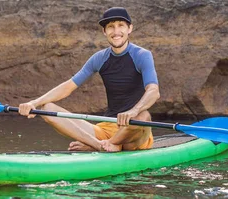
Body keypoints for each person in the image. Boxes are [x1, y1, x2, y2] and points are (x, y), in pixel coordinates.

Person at [18, 7, 160, 152]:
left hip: (132, 131)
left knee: (144, 116)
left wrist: (133, 111)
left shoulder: (142, 55)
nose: (116, 31)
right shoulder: (99, 58)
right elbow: (69, 86)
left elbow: (153, 91)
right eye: (110, 27)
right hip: (106, 128)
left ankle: (109, 143)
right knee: (47, 108)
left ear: (130, 28)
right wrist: (34, 103)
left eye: (121, 25)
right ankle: (99, 145)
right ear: (104, 32)